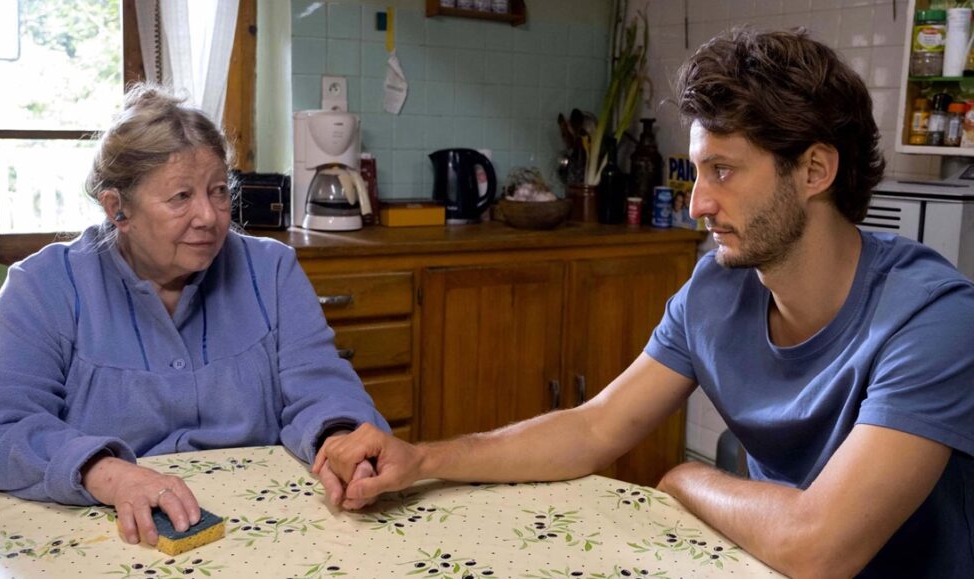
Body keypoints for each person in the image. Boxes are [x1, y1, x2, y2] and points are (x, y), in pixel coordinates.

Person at [314, 28, 974, 578]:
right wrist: (422, 458)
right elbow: (595, 427)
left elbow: (819, 543)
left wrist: (686, 480)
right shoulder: (715, 289)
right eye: (696, 170)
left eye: (724, 171)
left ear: (814, 171)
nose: (698, 204)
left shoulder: (933, 318)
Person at [0, 84, 389, 547]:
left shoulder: (271, 270)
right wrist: (108, 474)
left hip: (267, 527)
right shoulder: (43, 285)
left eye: (219, 191)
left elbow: (322, 387)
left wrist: (344, 440)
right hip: (112, 534)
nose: (209, 215)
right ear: (117, 208)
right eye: (181, 197)